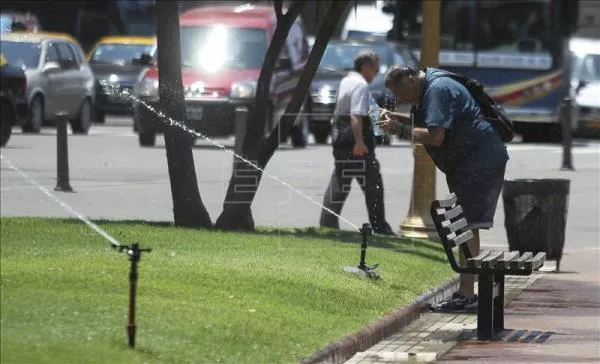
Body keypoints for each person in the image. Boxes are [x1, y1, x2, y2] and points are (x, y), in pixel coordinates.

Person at [379, 65, 509, 312]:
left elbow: (436, 136)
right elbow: (435, 120)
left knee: (467, 226)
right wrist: (398, 119)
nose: (402, 100)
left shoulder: (437, 89)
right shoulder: (434, 85)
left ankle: (467, 294)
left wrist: (400, 130)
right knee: (465, 226)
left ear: (409, 78)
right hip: (474, 160)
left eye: (401, 93)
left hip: (478, 161)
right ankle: (467, 292)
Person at [319, 50, 395, 236]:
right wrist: (360, 142)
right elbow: (355, 115)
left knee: (340, 181)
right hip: (355, 142)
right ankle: (379, 227)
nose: (377, 72)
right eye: (376, 68)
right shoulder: (360, 85)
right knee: (373, 184)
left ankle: (327, 223)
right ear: (366, 66)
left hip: (341, 140)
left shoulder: (347, 80)